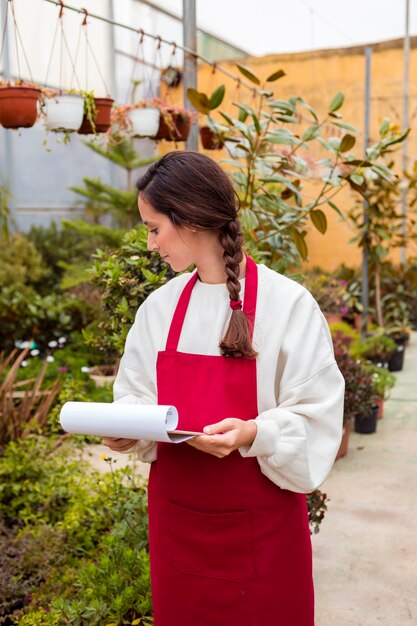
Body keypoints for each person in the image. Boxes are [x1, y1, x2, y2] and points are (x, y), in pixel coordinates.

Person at [104, 151, 345, 626]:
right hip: (178, 533)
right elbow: (132, 395)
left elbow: (317, 416)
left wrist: (255, 433)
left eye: (155, 229)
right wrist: (128, 429)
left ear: (191, 219)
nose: (151, 244)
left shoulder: (288, 305)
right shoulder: (159, 309)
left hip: (264, 541)